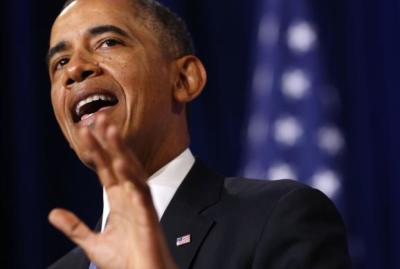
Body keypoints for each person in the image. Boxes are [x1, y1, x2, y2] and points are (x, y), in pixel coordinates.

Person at [47, 0, 352, 268]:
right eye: (60, 63)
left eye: (107, 42)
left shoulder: (277, 219)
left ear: (184, 79)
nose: (75, 70)